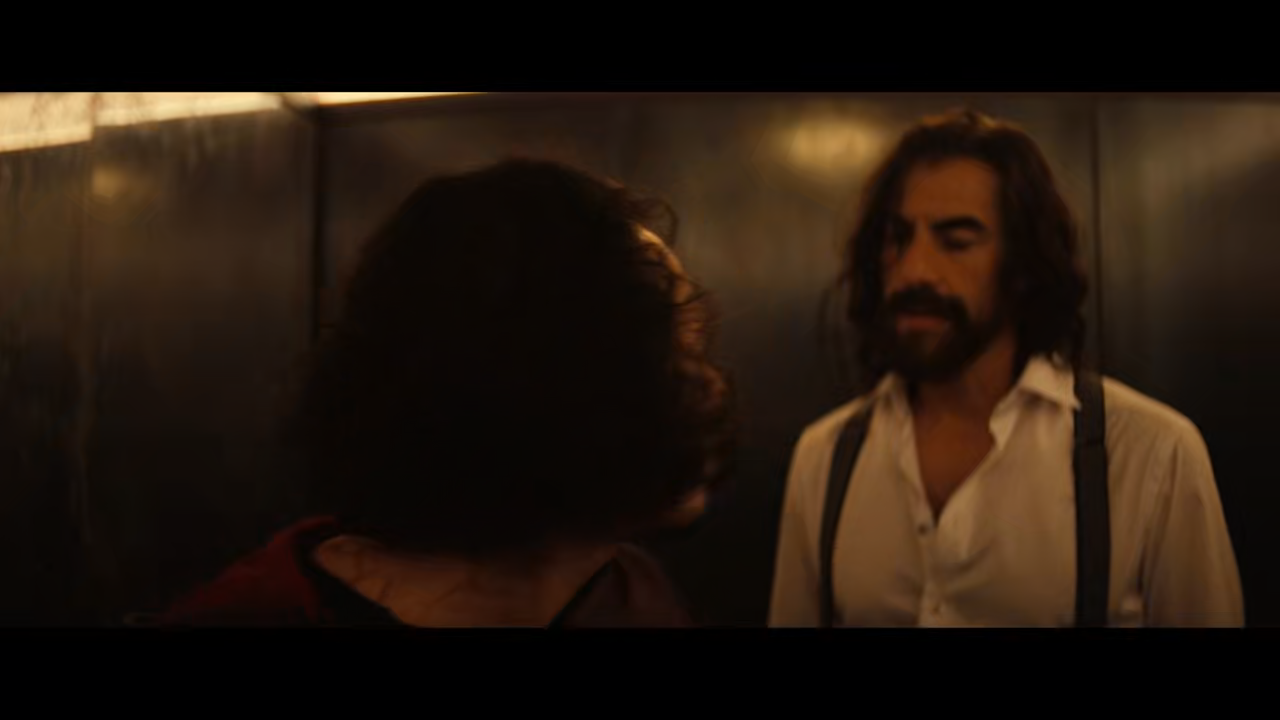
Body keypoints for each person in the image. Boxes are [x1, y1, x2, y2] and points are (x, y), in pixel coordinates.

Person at [161, 158, 734, 627]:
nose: (712, 386)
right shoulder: (262, 612)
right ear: (538, 387)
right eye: (677, 349)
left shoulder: (629, 590)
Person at [769, 109, 1244, 627]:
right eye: (897, 238)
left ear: (1022, 266)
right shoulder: (826, 457)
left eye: (956, 240)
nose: (913, 270)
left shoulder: (1150, 454)